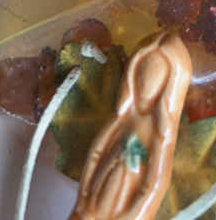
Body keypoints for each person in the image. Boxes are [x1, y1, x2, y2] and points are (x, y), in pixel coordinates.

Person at [68, 33, 192, 220]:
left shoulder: (160, 133)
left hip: (122, 205)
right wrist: (83, 198)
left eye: (155, 77)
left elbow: (154, 185)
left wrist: (134, 215)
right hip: (94, 200)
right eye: (143, 72)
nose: (146, 83)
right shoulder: (121, 119)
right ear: (134, 74)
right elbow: (96, 156)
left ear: (167, 85)